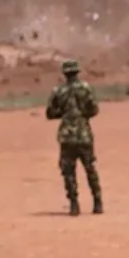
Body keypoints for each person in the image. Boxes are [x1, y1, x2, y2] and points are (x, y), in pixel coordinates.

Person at [45, 59, 103, 216]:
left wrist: (64, 114)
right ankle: (97, 202)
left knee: (68, 171)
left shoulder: (58, 91)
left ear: (64, 73)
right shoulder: (86, 88)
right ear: (77, 72)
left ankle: (74, 204)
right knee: (90, 168)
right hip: (84, 135)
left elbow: (50, 113)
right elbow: (94, 110)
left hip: (67, 136)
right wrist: (81, 115)